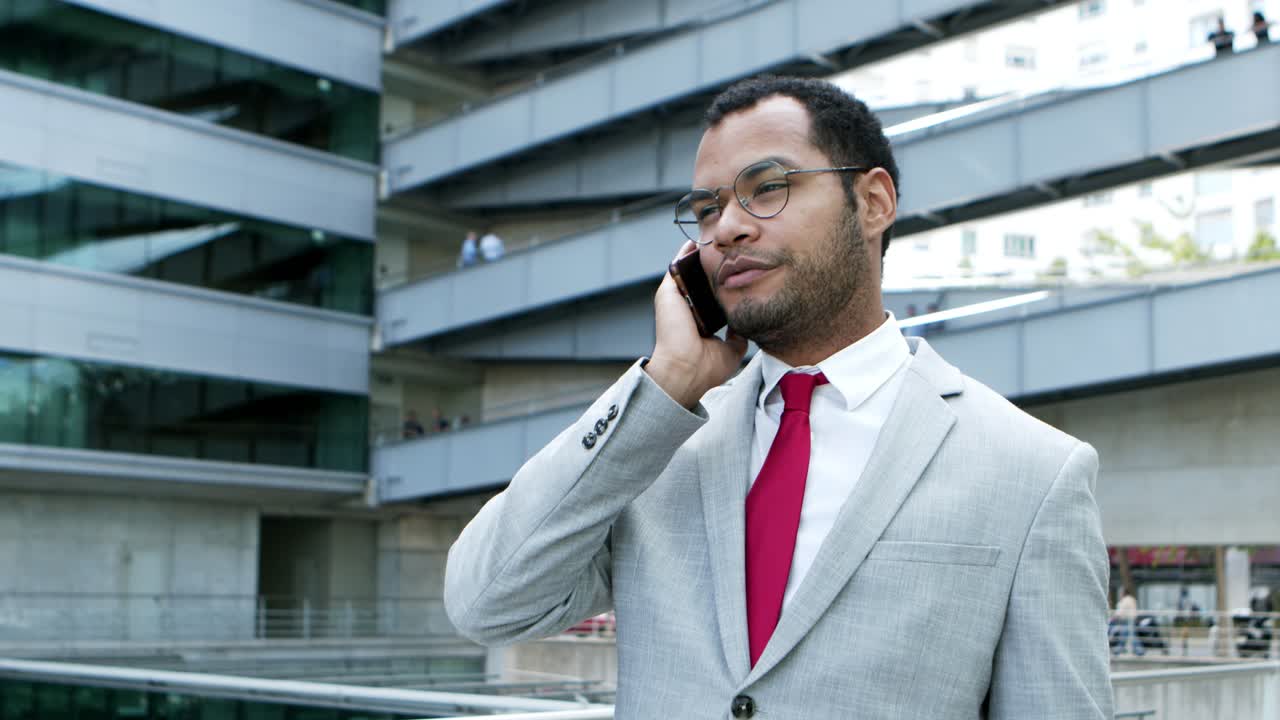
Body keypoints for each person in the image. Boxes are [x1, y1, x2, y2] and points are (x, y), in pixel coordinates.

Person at [444, 75, 1112, 719]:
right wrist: (665, 382)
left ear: (874, 202)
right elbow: (486, 604)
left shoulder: (1033, 472)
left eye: (767, 188)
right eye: (706, 209)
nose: (727, 227)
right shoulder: (653, 445)